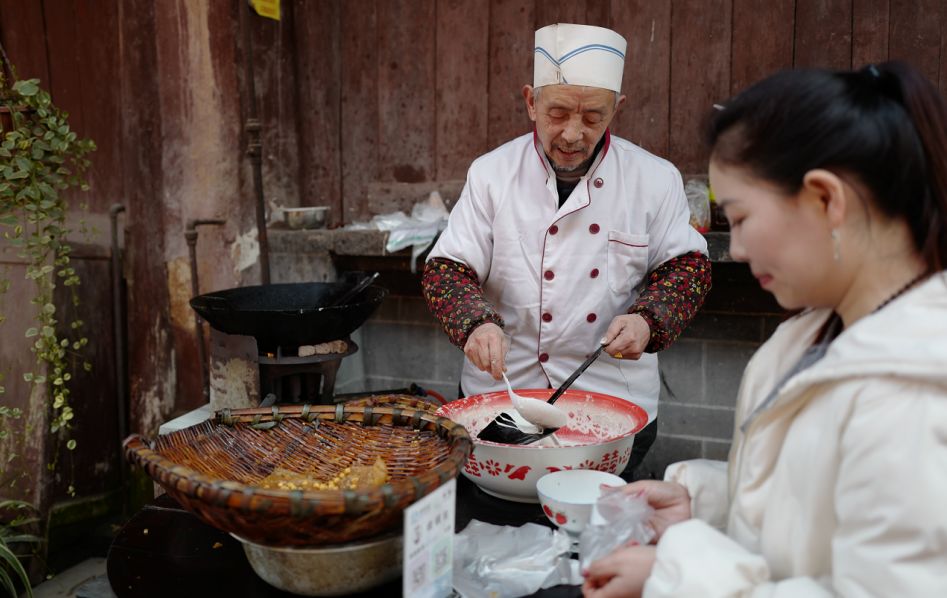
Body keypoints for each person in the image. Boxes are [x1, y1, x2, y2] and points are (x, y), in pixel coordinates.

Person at [582, 60, 947, 597]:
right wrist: (706, 506)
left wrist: (677, 575)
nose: (742, 248)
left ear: (826, 199)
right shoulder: (819, 333)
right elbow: (818, 508)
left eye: (742, 217)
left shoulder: (911, 393)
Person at [422, 23, 711, 467]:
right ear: (530, 102)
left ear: (617, 109)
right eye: (558, 113)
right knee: (494, 521)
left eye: (593, 116)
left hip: (612, 400)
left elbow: (687, 266)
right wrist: (475, 324)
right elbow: (447, 268)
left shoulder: (654, 179)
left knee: (594, 525)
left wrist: (649, 320)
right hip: (502, 397)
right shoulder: (491, 174)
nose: (574, 134)